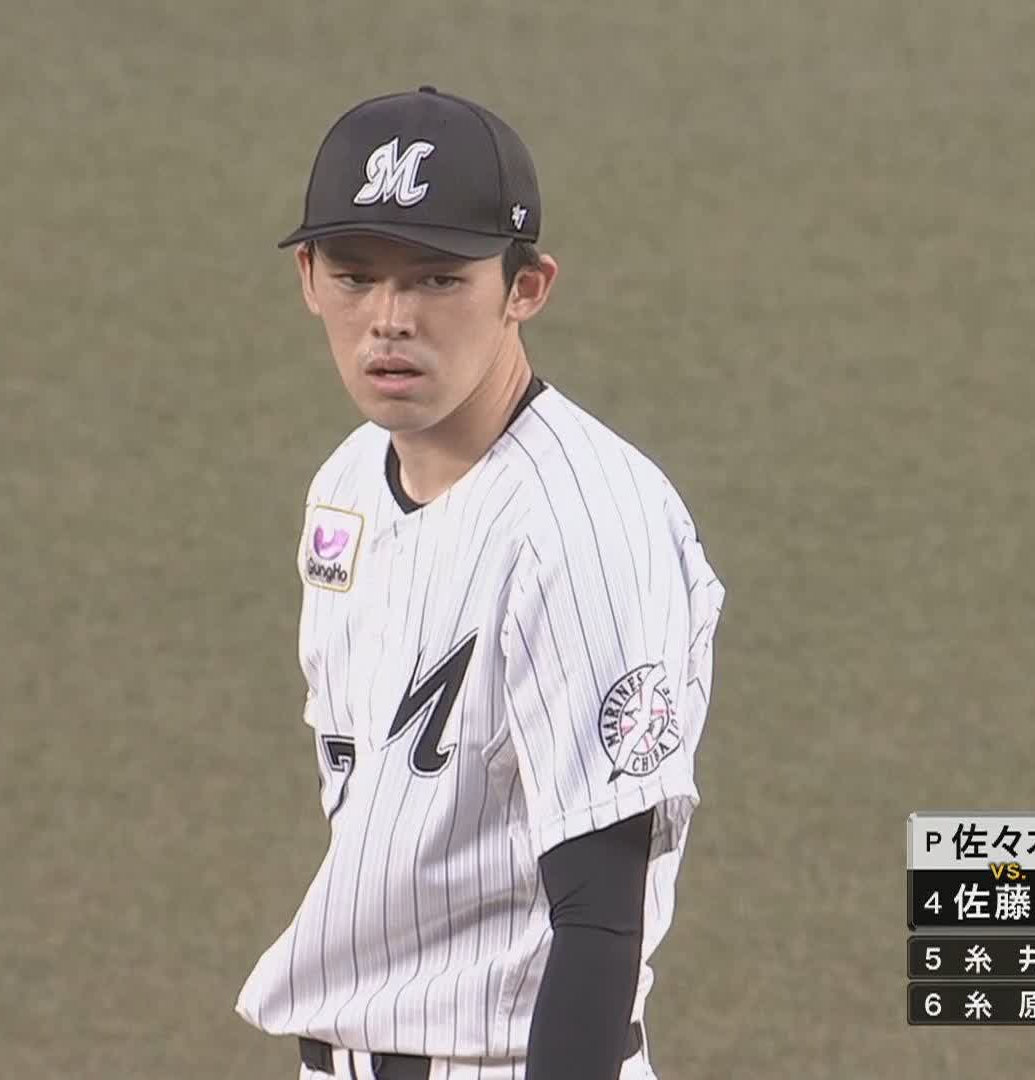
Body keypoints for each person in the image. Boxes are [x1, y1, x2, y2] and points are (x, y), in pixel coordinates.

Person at [235, 85, 725, 1080]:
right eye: (356, 275)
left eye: (438, 279)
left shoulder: (586, 524)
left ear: (525, 287)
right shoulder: (347, 485)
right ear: (308, 278)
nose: (389, 320)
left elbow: (599, 917)